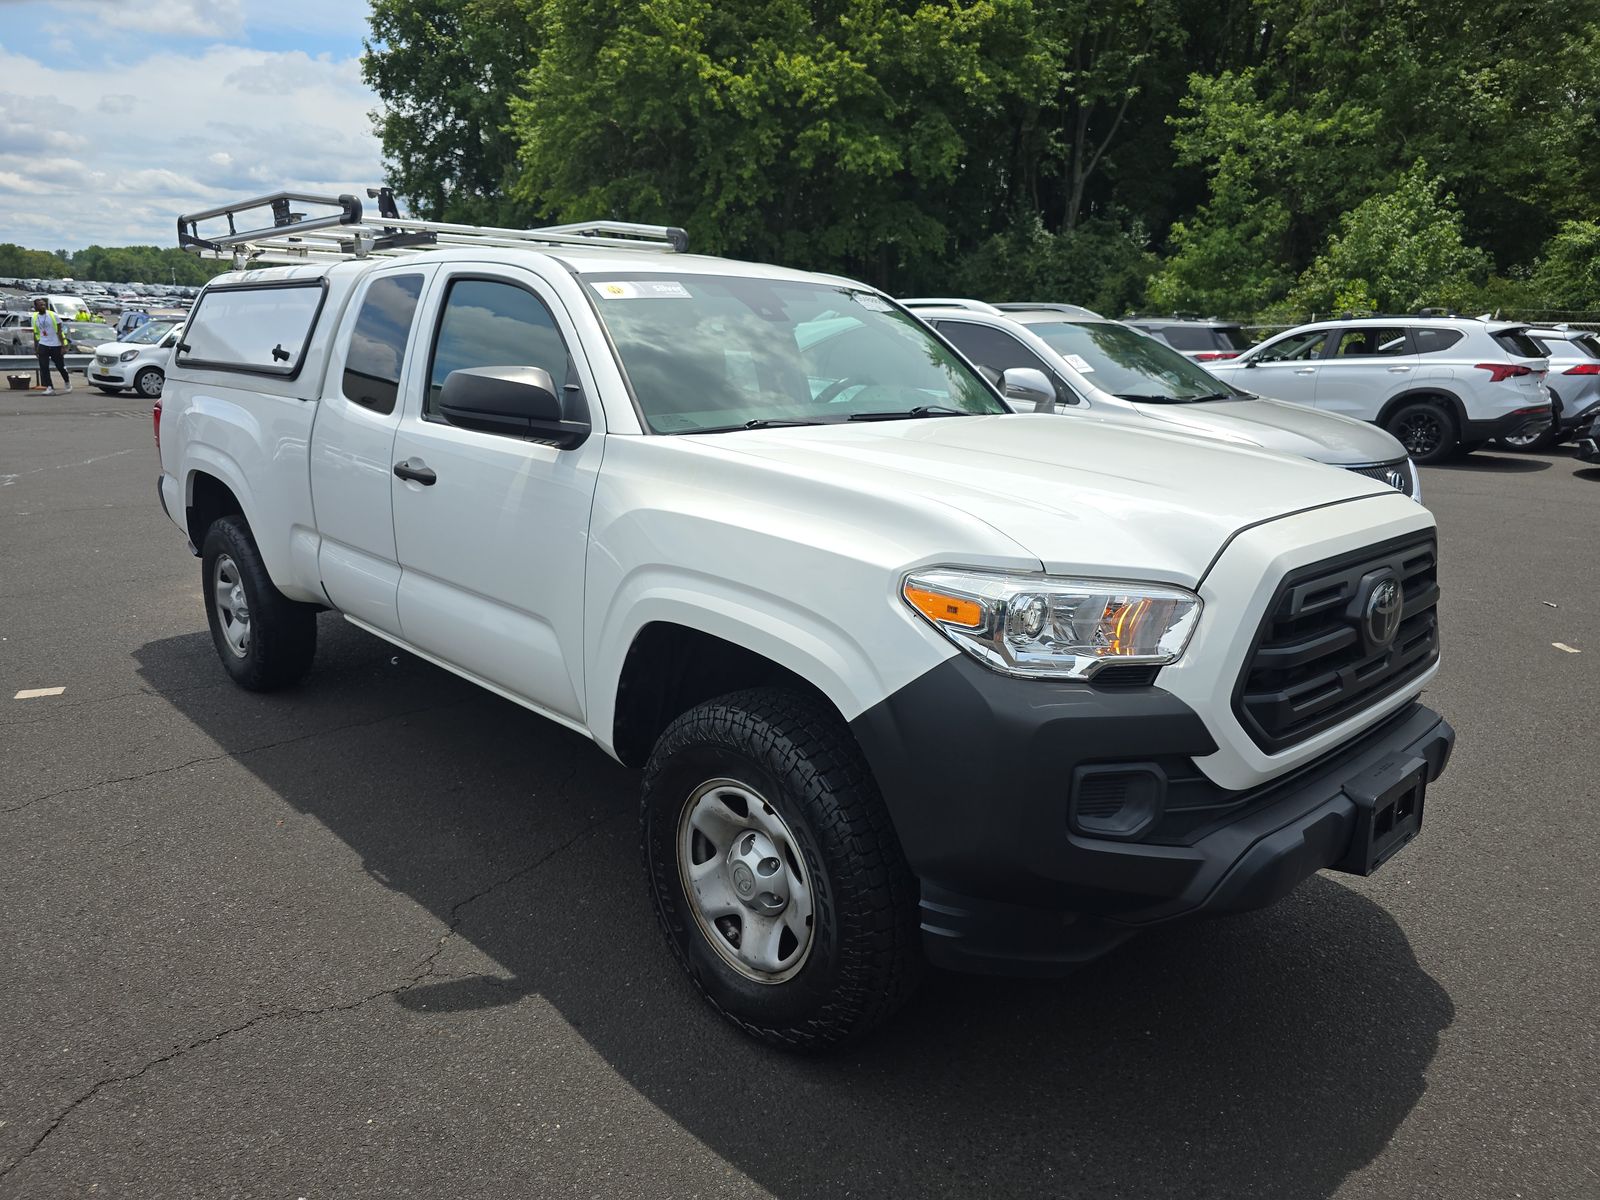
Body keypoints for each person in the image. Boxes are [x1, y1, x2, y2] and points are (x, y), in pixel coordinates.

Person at [31, 297, 71, 394]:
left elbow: (60, 331)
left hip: (55, 345)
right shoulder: (34, 317)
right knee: (44, 367)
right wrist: (36, 348)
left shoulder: (53, 315)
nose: (43, 306)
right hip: (43, 344)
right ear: (36, 307)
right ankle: (50, 387)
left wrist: (63, 346)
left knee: (60, 366)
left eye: (44, 304)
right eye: (41, 305)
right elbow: (36, 333)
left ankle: (67, 382)